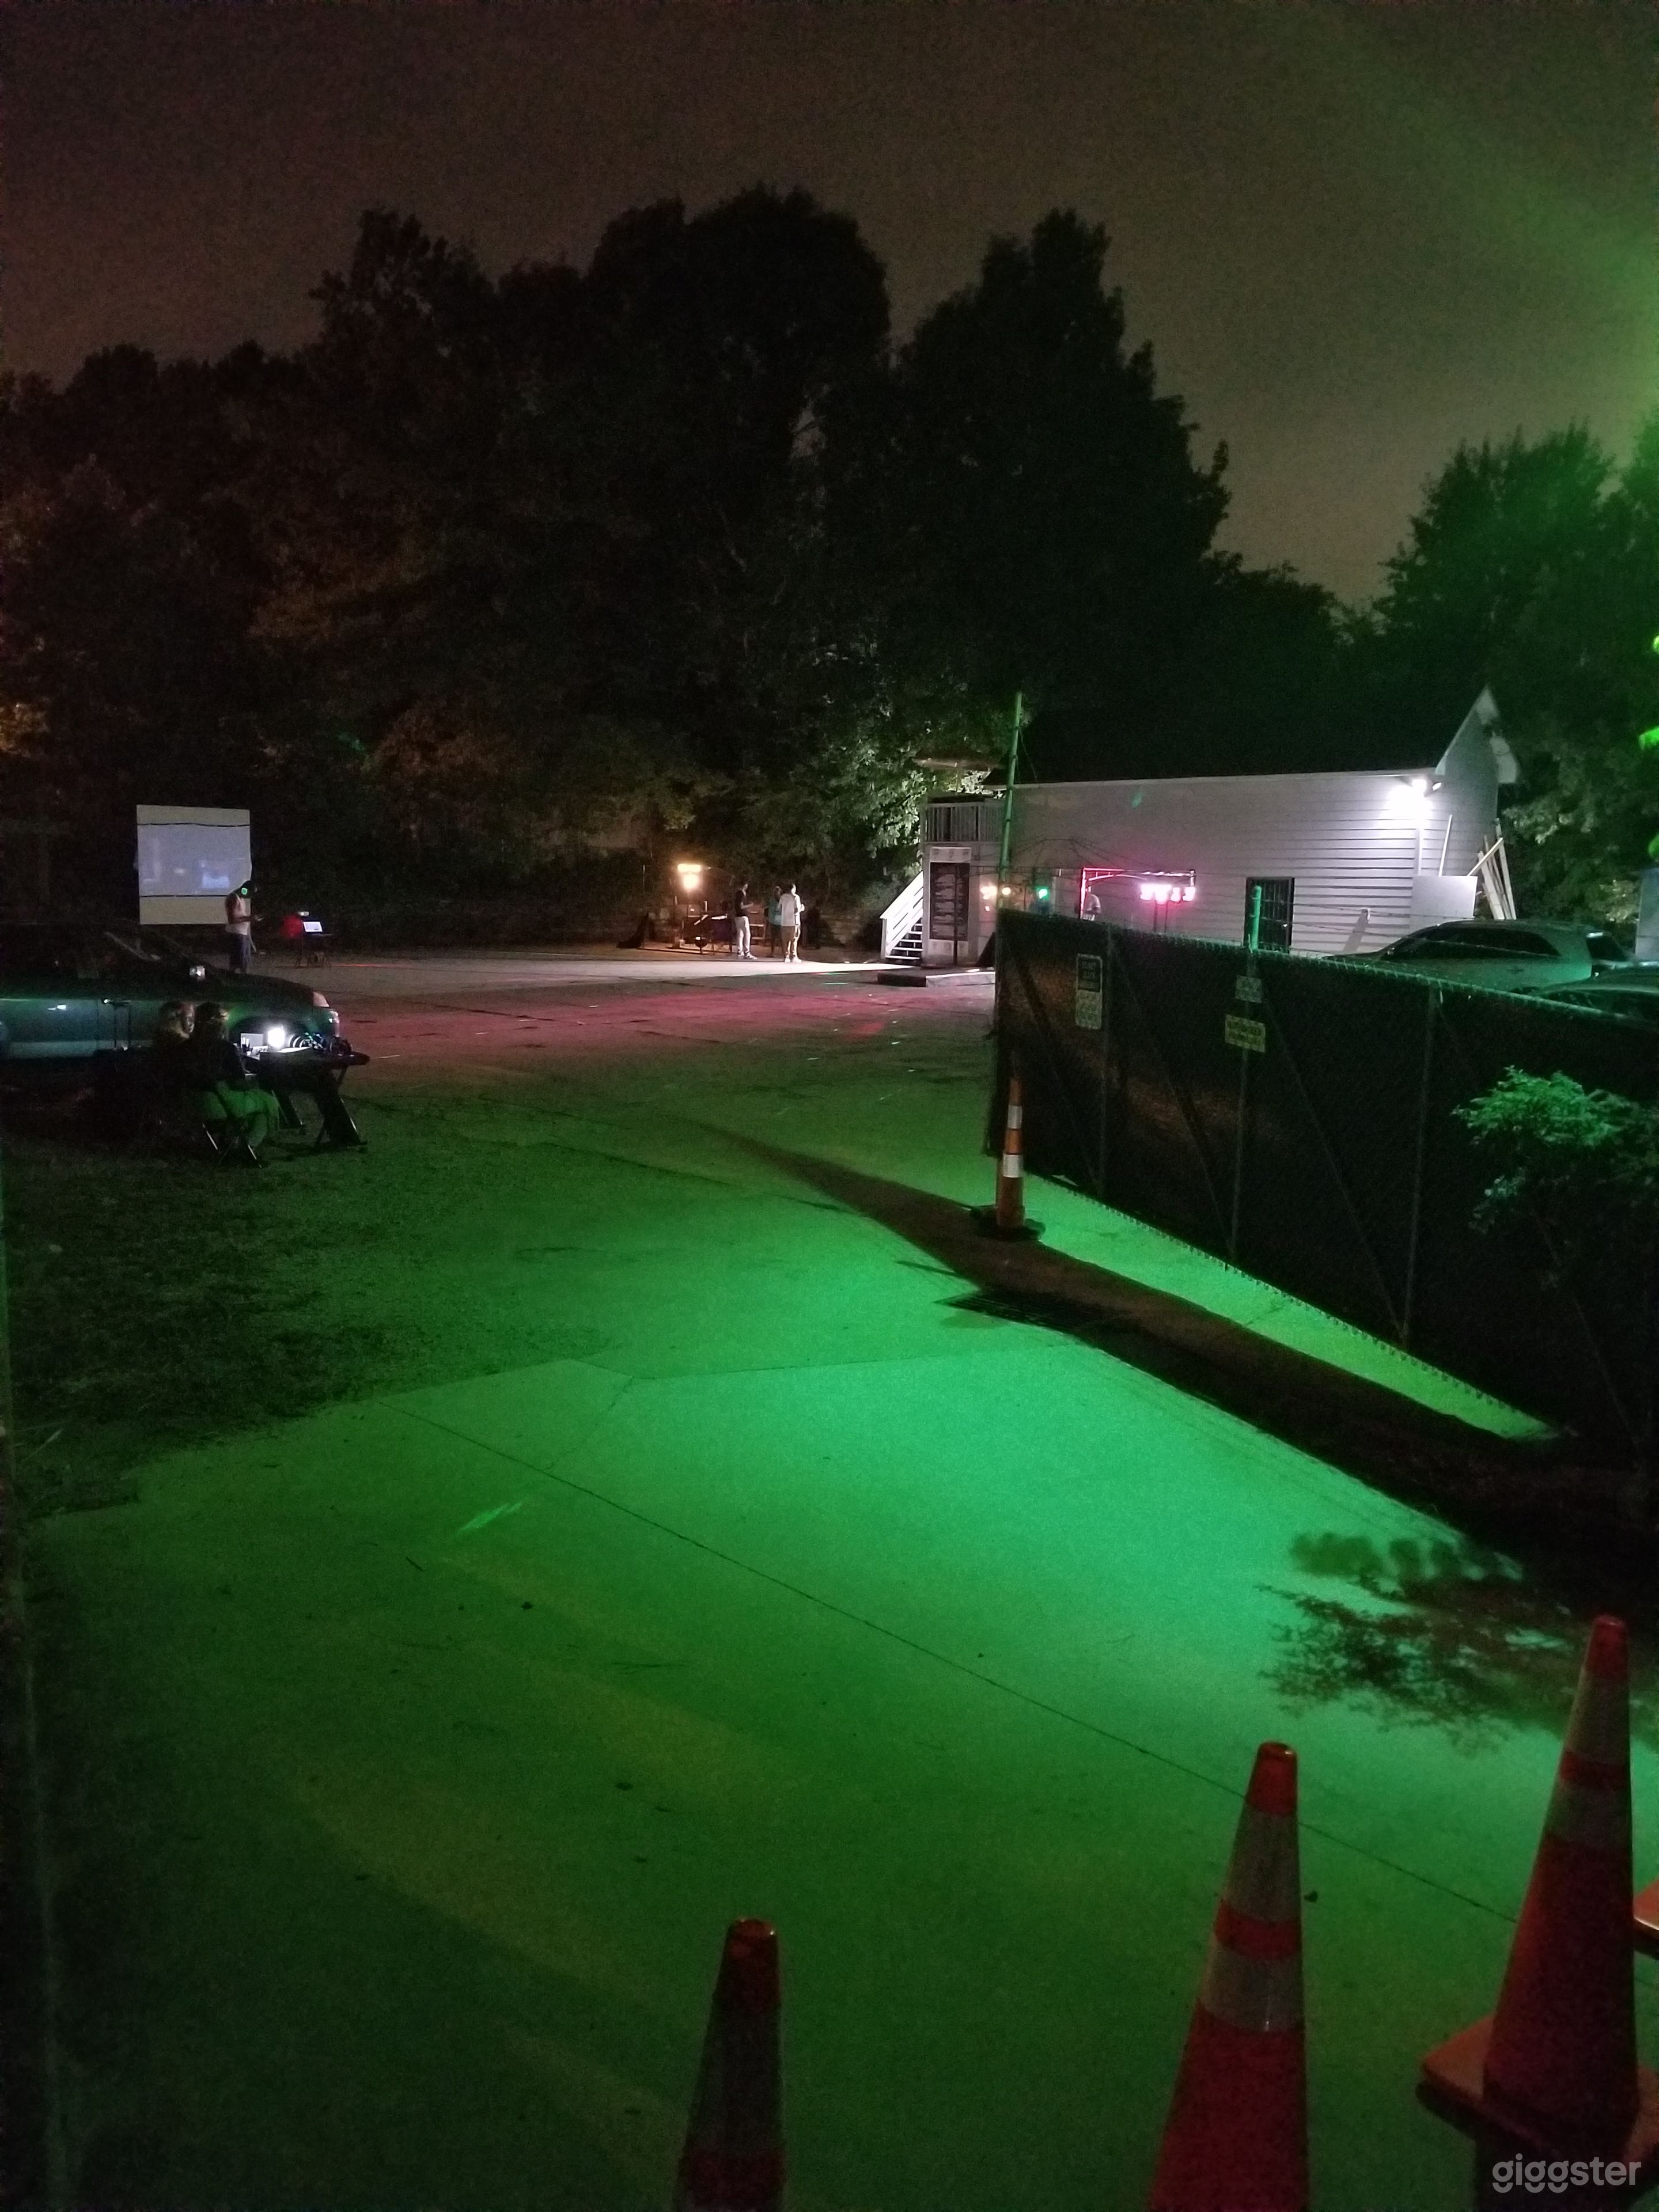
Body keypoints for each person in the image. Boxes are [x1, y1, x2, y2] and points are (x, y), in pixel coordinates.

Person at [187, 1001, 278, 1162]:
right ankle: (247, 1147)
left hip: (191, 1106)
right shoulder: (226, 1048)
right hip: (220, 1105)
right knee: (269, 1103)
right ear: (220, 1024)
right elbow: (239, 1083)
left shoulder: (185, 1047)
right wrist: (253, 1081)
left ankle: (234, 1143)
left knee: (257, 1105)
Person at [225, 882, 255, 973]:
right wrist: (250, 918)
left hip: (242, 933)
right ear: (244, 890)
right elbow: (232, 920)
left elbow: (240, 916)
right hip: (237, 934)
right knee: (241, 962)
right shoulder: (233, 898)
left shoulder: (240, 898)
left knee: (243, 961)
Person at [778, 881, 804, 964]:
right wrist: (802, 908)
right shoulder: (796, 897)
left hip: (784, 922)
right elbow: (797, 910)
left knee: (785, 940)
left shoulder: (782, 897)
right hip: (793, 922)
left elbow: (779, 909)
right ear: (794, 889)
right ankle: (793, 956)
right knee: (794, 940)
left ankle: (786, 956)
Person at [731, 881, 752, 960]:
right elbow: (741, 906)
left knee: (740, 934)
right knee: (747, 934)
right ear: (745, 885)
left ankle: (740, 952)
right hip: (743, 916)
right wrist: (750, 905)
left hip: (738, 916)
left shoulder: (737, 894)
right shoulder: (741, 894)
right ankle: (747, 952)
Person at [767, 887, 783, 957]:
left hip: (780, 921)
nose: (777, 894)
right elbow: (771, 910)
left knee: (781, 937)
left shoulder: (782, 900)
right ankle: (773, 952)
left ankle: (784, 952)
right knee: (773, 937)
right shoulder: (772, 900)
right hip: (774, 920)